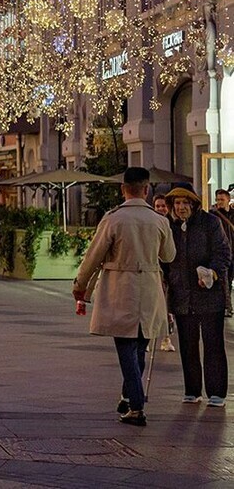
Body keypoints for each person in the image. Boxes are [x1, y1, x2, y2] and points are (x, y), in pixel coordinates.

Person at [73, 167, 176, 427]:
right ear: (147, 189)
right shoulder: (159, 220)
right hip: (149, 288)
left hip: (121, 289)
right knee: (140, 348)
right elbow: (169, 255)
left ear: (123, 189)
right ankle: (129, 397)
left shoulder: (113, 219)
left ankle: (137, 406)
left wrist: (80, 285)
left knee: (126, 349)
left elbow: (93, 256)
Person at [165, 185, 231, 408]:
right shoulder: (170, 226)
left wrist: (212, 272)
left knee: (213, 344)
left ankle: (217, 392)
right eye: (177, 203)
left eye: (185, 202)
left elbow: (223, 253)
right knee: (187, 344)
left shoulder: (210, 223)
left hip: (209, 294)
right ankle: (192, 390)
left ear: (193, 203)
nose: (181, 207)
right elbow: (164, 259)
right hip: (182, 294)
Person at [152, 194, 176, 353]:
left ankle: (166, 338)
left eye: (163, 206)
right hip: (155, 271)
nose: (161, 209)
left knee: (167, 307)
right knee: (153, 307)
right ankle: (149, 339)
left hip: (170, 271)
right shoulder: (151, 223)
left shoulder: (172, 225)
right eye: (158, 206)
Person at [210, 188, 234, 318]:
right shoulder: (213, 216)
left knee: (229, 280)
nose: (219, 202)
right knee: (224, 280)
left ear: (228, 200)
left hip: (233, 252)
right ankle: (227, 307)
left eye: (222, 199)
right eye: (218, 199)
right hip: (222, 253)